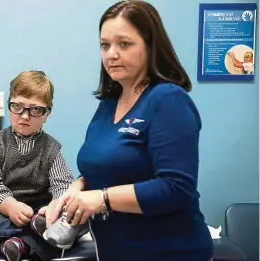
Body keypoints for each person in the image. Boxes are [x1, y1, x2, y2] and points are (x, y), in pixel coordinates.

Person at [48, 1, 214, 261]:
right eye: (105, 45)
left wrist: (101, 199)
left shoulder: (167, 99)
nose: (111, 54)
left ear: (150, 46)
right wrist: (78, 187)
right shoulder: (108, 104)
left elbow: (176, 188)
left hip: (169, 253)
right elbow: (108, 167)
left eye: (124, 44)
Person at [0, 70, 77, 261]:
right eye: (17, 106)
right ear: (9, 107)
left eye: (35, 110)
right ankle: (36, 230)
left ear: (46, 114)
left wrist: (55, 206)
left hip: (42, 210)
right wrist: (10, 207)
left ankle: (20, 244)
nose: (24, 116)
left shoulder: (52, 149)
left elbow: (62, 184)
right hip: (3, 212)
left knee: (79, 220)